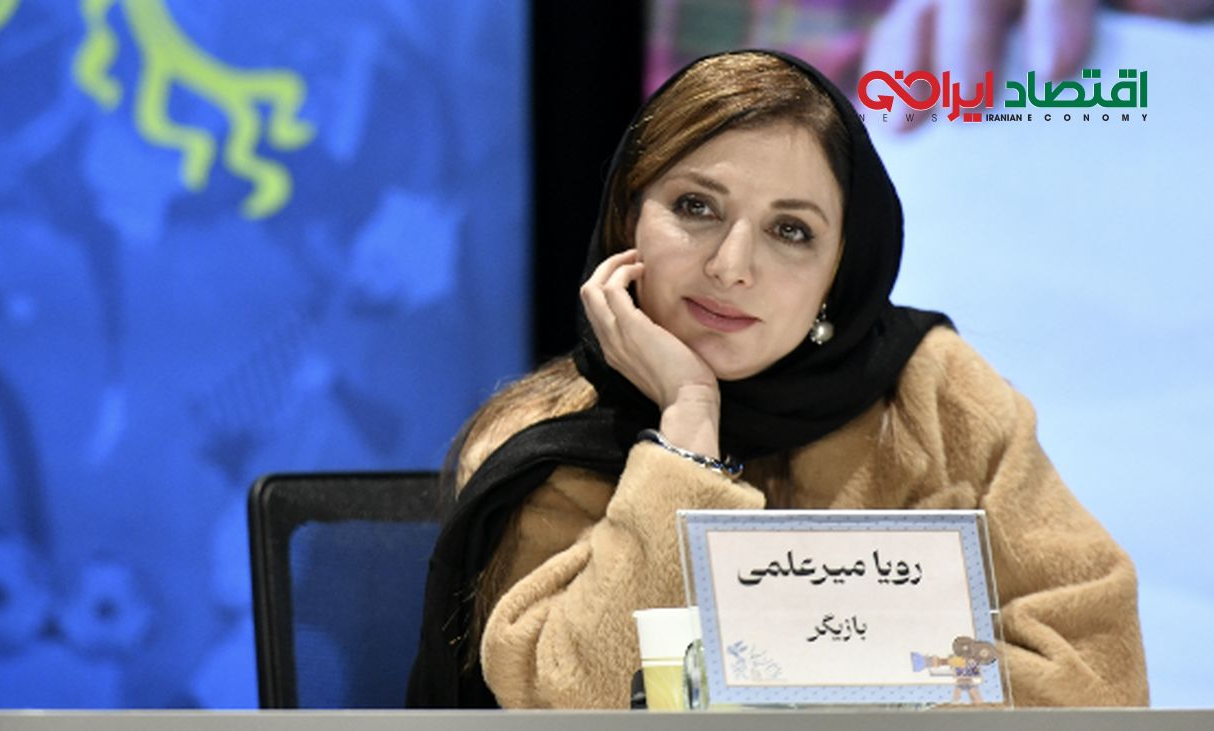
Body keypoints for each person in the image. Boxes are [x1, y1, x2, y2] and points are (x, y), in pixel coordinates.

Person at [406, 50, 1148, 709]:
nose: (732, 265)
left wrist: (803, 686)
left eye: (790, 230)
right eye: (696, 207)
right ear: (629, 221)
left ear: (837, 272)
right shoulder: (542, 444)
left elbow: (1096, 680)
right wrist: (686, 427)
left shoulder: (933, 391)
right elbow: (577, 698)